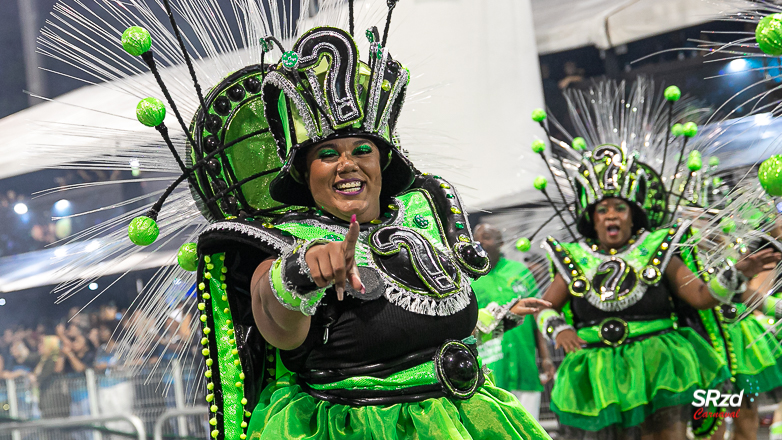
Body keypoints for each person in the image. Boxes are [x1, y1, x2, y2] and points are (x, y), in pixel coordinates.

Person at [471, 223, 555, 420]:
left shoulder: (520, 272)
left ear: (500, 243)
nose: (479, 242)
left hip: (525, 364)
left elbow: (536, 315)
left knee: (530, 427)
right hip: (491, 369)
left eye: (486, 237)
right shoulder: (469, 278)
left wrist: (546, 357)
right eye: (476, 237)